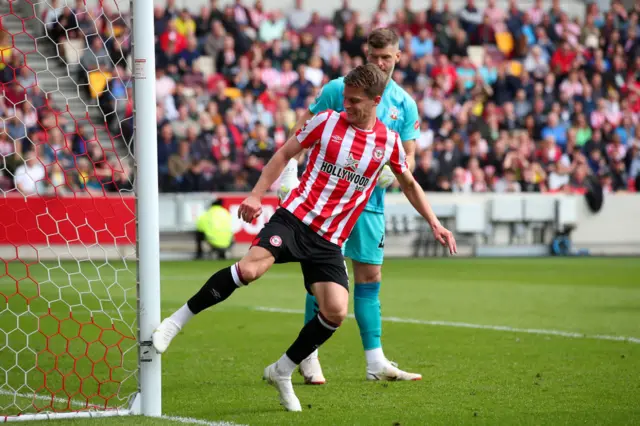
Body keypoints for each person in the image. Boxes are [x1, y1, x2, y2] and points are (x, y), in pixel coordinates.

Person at [152, 64, 457, 412]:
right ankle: (174, 323)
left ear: (376, 101)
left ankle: (282, 370)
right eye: (345, 97)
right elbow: (283, 154)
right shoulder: (326, 121)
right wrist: (256, 194)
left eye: (355, 101)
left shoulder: (387, 141)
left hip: (329, 241)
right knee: (249, 270)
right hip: (295, 218)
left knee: (336, 311)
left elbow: (409, 183)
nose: (347, 105)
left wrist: (434, 222)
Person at [278, 27, 423, 383]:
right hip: (327, 203)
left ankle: (375, 362)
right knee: (322, 279)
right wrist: (289, 172)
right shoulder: (339, 89)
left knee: (370, 276)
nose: (379, 63)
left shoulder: (404, 104)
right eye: (373, 56)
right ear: (365, 53)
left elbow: (411, 159)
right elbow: (302, 129)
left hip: (370, 204)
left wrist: (396, 174)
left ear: (398, 57)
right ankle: (309, 355)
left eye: (386, 57)